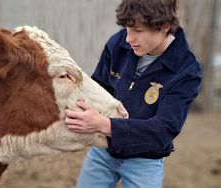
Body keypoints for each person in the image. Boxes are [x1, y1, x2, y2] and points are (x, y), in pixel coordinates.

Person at [65, 0, 202, 187]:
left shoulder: (187, 70)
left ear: (165, 26)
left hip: (145, 161)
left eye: (137, 31)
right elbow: (99, 88)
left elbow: (163, 130)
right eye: (127, 28)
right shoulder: (118, 43)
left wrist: (105, 125)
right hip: (103, 151)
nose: (129, 39)